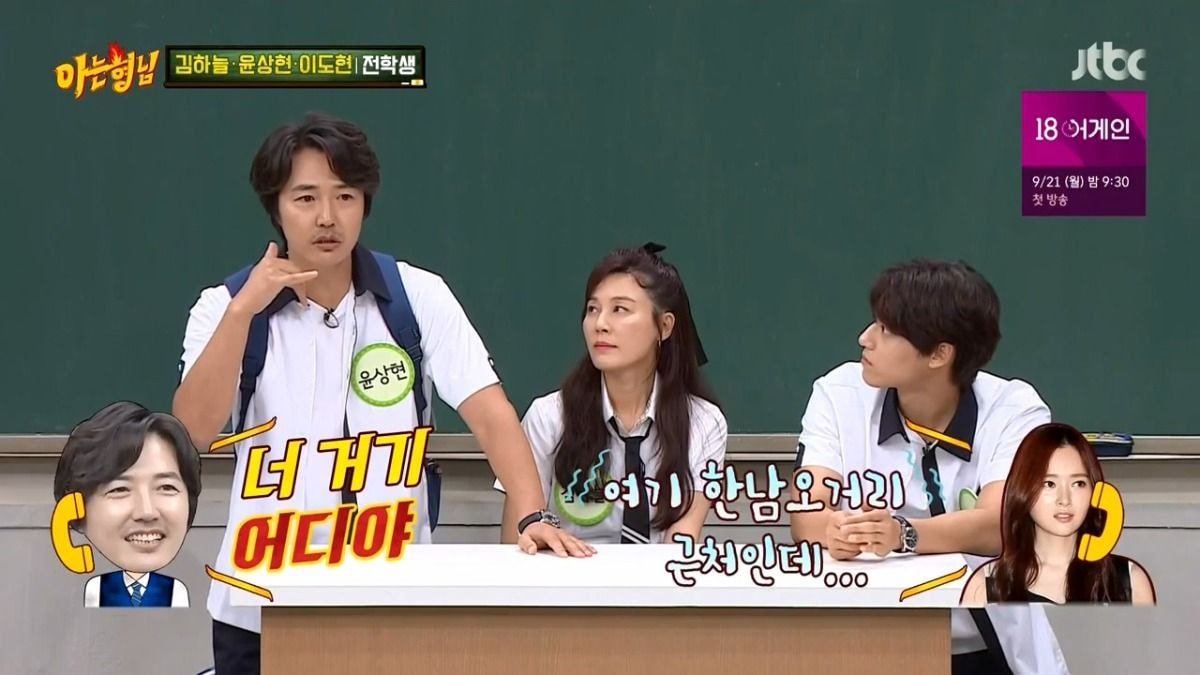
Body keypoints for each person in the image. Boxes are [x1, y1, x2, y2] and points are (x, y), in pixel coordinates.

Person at [172, 112, 592, 673]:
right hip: (260, 599)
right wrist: (243, 312)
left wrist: (532, 514)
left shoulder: (415, 297)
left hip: (394, 594)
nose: (327, 217)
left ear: (364, 203)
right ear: (276, 207)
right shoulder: (224, 307)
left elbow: (491, 413)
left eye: (345, 196)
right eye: (306, 198)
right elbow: (193, 432)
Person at [788, 258, 1068, 675]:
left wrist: (902, 533)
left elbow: (1001, 526)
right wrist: (833, 529)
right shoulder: (839, 393)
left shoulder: (1014, 410)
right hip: (868, 642)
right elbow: (805, 512)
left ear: (939, 353)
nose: (865, 338)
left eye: (886, 330)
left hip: (982, 646)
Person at [495, 243, 727, 545]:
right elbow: (515, 542)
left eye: (620, 309)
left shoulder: (704, 423)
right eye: (593, 309)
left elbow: (681, 542)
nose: (600, 324)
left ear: (664, 326)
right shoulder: (549, 418)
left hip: (658, 573)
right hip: (567, 572)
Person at [961, 422, 1156, 605]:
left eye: (1078, 484)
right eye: (1049, 484)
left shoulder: (1130, 582)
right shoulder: (985, 586)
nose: (1064, 499)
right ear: (1023, 489)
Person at [52, 401, 201, 608]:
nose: (146, 512)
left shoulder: (182, 592)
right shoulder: (85, 593)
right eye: (120, 489)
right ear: (76, 506)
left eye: (166, 487)